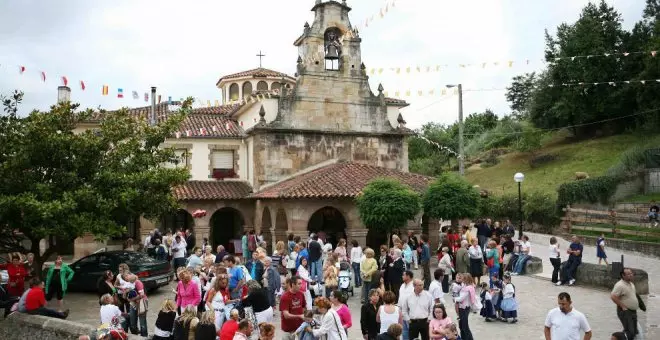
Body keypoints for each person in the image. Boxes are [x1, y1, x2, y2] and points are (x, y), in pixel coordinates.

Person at [611, 268, 640, 340]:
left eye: (631, 273)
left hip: (633, 311)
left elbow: (633, 295)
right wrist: (623, 307)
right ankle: (615, 337)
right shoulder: (619, 285)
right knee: (630, 332)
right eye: (629, 274)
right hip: (625, 311)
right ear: (623, 276)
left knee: (634, 331)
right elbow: (613, 296)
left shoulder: (631, 284)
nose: (631, 275)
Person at [280, 276, 306, 340]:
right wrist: (300, 316)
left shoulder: (301, 294)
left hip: (300, 327)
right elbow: (286, 315)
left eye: (301, 283)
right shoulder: (285, 297)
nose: (301, 285)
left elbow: (304, 308)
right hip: (288, 329)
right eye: (299, 284)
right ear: (293, 284)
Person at [454, 273, 477, 340]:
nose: (462, 280)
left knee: (464, 326)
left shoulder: (467, 289)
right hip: (464, 308)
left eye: (463, 278)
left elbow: (461, 298)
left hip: (464, 308)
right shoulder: (468, 286)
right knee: (461, 325)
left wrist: (454, 298)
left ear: (466, 279)